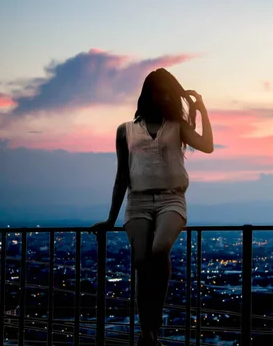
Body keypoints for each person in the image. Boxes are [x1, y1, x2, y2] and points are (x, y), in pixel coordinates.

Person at [90, 68, 214, 346]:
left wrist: (202, 110)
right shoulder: (126, 130)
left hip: (172, 199)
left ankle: (153, 324)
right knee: (140, 262)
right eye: (160, 91)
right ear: (148, 94)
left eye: (168, 92)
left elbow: (207, 145)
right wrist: (110, 219)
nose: (164, 96)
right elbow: (122, 176)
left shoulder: (178, 127)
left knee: (159, 251)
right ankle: (147, 334)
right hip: (138, 201)